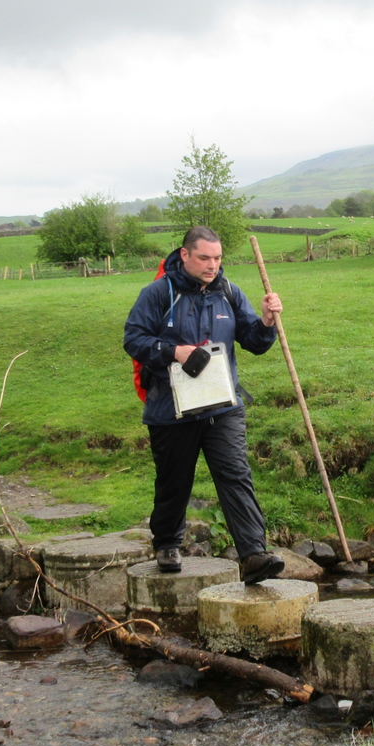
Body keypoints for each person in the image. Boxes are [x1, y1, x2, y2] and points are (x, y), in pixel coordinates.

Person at [123, 226, 286, 583]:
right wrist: (175, 352)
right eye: (204, 258)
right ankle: (167, 544)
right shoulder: (158, 293)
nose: (212, 265)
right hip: (170, 409)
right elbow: (133, 339)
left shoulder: (228, 292)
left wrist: (266, 321)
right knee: (174, 481)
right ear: (185, 255)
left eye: (217, 258)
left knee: (235, 474)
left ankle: (254, 554)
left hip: (223, 407)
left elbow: (254, 342)